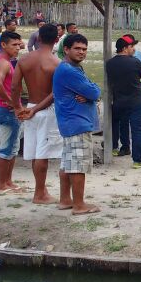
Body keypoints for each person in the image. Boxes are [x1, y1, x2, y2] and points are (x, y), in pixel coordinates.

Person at [11, 23, 65, 205]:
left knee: (36, 152)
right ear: (57, 39)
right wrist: (35, 109)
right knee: (42, 153)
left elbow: (15, 86)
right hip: (46, 109)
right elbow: (55, 93)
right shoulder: (56, 63)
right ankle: (40, 193)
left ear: (39, 38)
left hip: (30, 106)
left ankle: (40, 190)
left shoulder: (24, 59)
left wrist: (18, 107)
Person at [52, 34, 102, 215]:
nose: (81, 52)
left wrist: (90, 93)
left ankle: (66, 199)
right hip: (76, 122)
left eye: (84, 49)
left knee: (67, 163)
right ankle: (79, 205)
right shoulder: (69, 71)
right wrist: (92, 94)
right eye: (77, 48)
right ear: (66, 49)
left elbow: (91, 91)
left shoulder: (73, 68)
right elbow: (94, 92)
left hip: (70, 122)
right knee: (78, 165)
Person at [106, 35, 141, 168]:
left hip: (119, 101)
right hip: (136, 101)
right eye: (132, 46)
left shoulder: (109, 63)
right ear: (125, 48)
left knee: (120, 125)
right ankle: (137, 160)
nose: (134, 49)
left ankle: (119, 147)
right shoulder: (135, 62)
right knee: (137, 130)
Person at [0, 31, 25, 193]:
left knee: (12, 147)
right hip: (6, 110)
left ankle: (7, 181)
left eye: (19, 44)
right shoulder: (3, 63)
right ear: (3, 45)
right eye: (14, 45)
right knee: (6, 148)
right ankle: (1, 184)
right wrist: (12, 101)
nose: (18, 48)